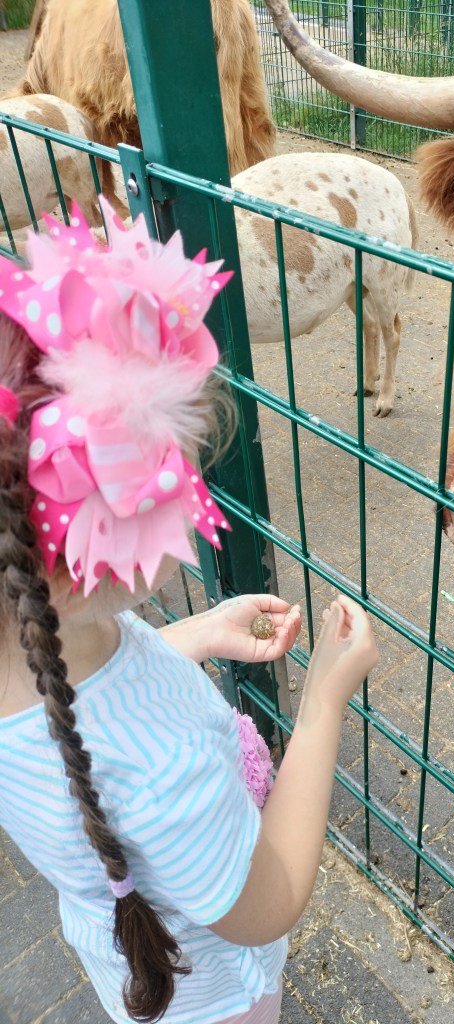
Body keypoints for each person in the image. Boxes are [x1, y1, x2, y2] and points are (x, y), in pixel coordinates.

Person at [0, 201, 379, 1024]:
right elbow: (268, 902)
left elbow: (94, 695)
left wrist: (199, 634)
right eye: (178, 481)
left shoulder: (48, 647)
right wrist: (322, 703)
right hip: (213, 995)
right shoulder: (162, 771)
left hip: (119, 956)